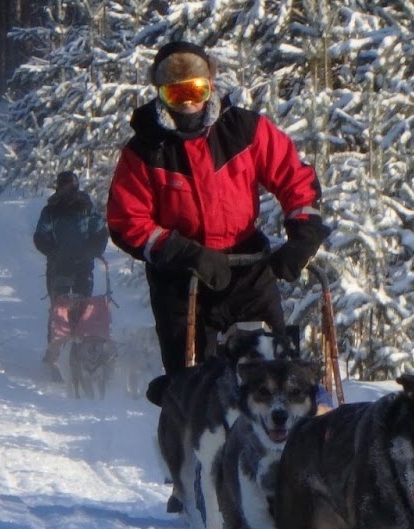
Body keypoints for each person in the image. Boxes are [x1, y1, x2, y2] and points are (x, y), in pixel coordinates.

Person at [106, 40, 328, 392]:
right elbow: (127, 220)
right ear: (161, 95)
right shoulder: (144, 149)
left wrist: (303, 234)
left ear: (210, 85)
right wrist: (184, 252)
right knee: (192, 385)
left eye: (197, 89)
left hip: (248, 266)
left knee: (277, 374)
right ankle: (189, 427)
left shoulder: (243, 129)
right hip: (181, 278)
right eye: (177, 94)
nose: (190, 103)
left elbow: (294, 178)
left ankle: (282, 440)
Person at [33, 170, 109, 380]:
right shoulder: (53, 210)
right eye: (64, 186)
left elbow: (100, 233)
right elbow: (40, 237)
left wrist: (91, 251)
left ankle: (76, 355)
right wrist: (56, 252)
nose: (67, 191)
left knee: (76, 308)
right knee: (61, 309)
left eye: (69, 186)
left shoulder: (83, 208)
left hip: (78, 266)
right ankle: (56, 355)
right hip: (62, 266)